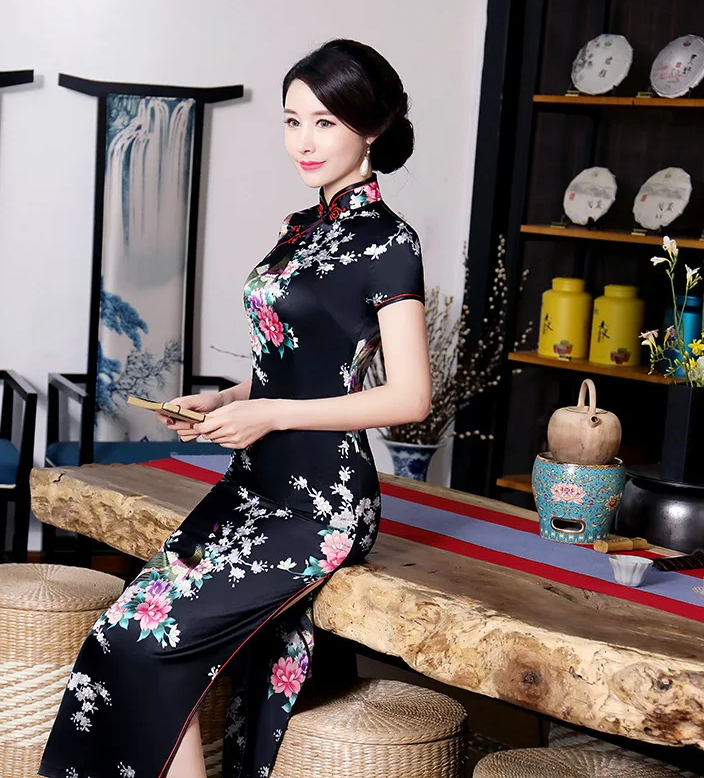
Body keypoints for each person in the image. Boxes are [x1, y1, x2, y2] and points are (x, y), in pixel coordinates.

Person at [38, 38, 431, 778]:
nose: (304, 141)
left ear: (373, 128)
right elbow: (297, 366)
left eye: (325, 122)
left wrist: (271, 416)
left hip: (321, 502)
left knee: (149, 646)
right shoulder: (301, 229)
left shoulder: (389, 242)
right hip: (255, 484)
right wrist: (225, 400)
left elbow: (410, 396)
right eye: (292, 121)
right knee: (121, 641)